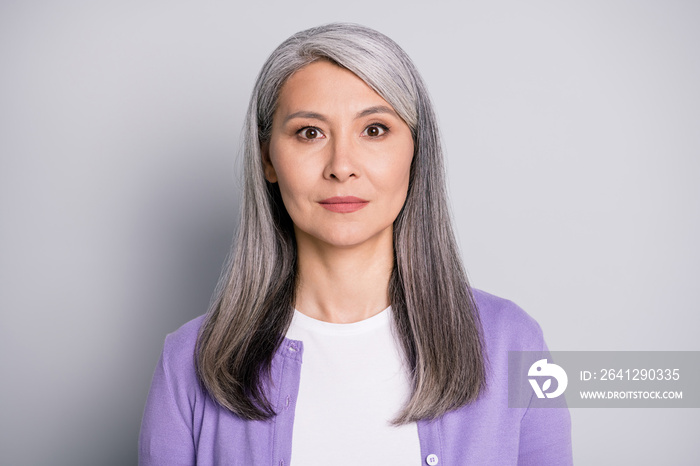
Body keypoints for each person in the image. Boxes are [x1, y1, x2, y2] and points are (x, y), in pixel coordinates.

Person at [139, 22, 573, 465]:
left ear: (416, 150)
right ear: (268, 157)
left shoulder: (513, 343)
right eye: (310, 132)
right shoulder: (188, 362)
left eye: (374, 130)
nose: (341, 166)